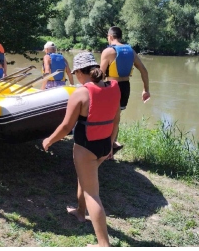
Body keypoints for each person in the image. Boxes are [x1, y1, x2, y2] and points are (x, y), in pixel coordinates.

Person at [42, 52, 120, 247]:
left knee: (92, 194)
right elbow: (116, 120)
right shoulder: (112, 87)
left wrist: (49, 140)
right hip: (104, 144)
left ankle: (103, 245)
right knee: (85, 177)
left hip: (86, 147)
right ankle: (80, 211)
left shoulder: (81, 93)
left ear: (78, 72)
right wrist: (111, 144)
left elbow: (66, 127)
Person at [99, 26, 151, 152]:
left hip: (111, 86)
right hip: (125, 87)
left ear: (111, 36)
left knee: (107, 116)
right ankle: (113, 142)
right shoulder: (131, 51)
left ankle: (106, 146)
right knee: (117, 116)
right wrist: (146, 90)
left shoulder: (108, 52)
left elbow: (100, 74)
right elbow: (144, 70)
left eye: (107, 37)